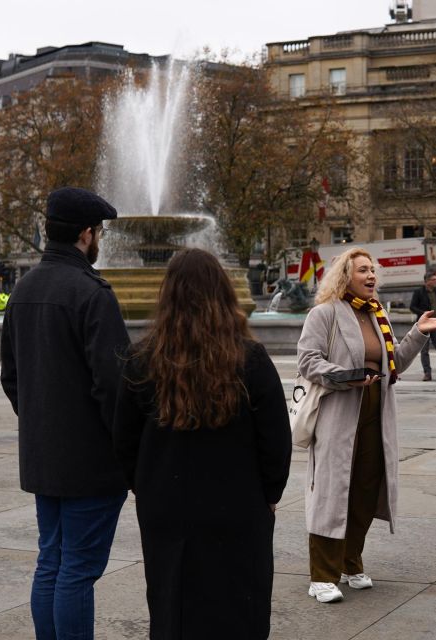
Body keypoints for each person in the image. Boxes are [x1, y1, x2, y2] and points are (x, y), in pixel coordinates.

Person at [112, 249, 291, 638]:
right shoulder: (250, 359)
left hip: (166, 504)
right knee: (238, 602)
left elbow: (123, 439)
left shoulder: (142, 359)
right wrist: (271, 492)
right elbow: (276, 440)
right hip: (238, 504)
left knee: (170, 601)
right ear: (222, 294)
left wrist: (143, 484)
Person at [0, 187, 130, 640]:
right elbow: (115, 386)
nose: (100, 241)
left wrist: (42, 420)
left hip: (44, 458)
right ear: (85, 234)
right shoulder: (93, 294)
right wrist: (123, 446)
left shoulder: (23, 290)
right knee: (77, 568)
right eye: (99, 233)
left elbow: (11, 378)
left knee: (51, 560)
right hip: (90, 464)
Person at [297, 247, 436, 603]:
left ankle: (350, 563)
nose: (371, 276)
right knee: (331, 494)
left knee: (366, 489)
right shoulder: (324, 314)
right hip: (338, 414)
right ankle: (322, 576)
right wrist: (346, 376)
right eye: (363, 270)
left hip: (375, 414)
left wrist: (419, 333)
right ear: (345, 276)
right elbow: (307, 361)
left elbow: (395, 364)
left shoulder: (376, 314)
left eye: (372, 270)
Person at [409, 272, 436, 381]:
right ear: (426, 281)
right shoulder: (418, 292)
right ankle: (427, 373)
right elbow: (412, 307)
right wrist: (424, 314)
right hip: (424, 326)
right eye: (433, 279)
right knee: (424, 351)